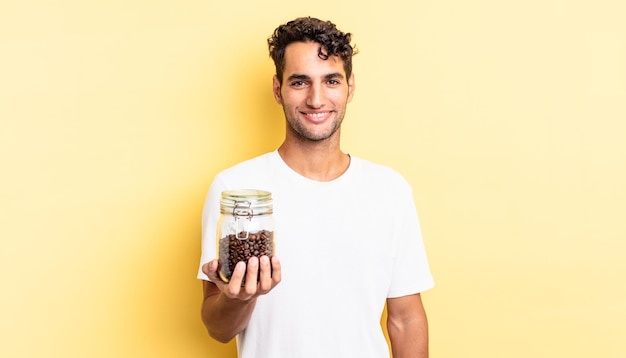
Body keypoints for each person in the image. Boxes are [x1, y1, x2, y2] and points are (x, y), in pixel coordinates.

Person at [198, 16, 434, 358]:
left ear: (350, 87)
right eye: (299, 82)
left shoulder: (389, 190)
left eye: (331, 81)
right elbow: (217, 329)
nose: (316, 99)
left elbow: (406, 319)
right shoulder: (236, 190)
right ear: (278, 89)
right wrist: (241, 298)